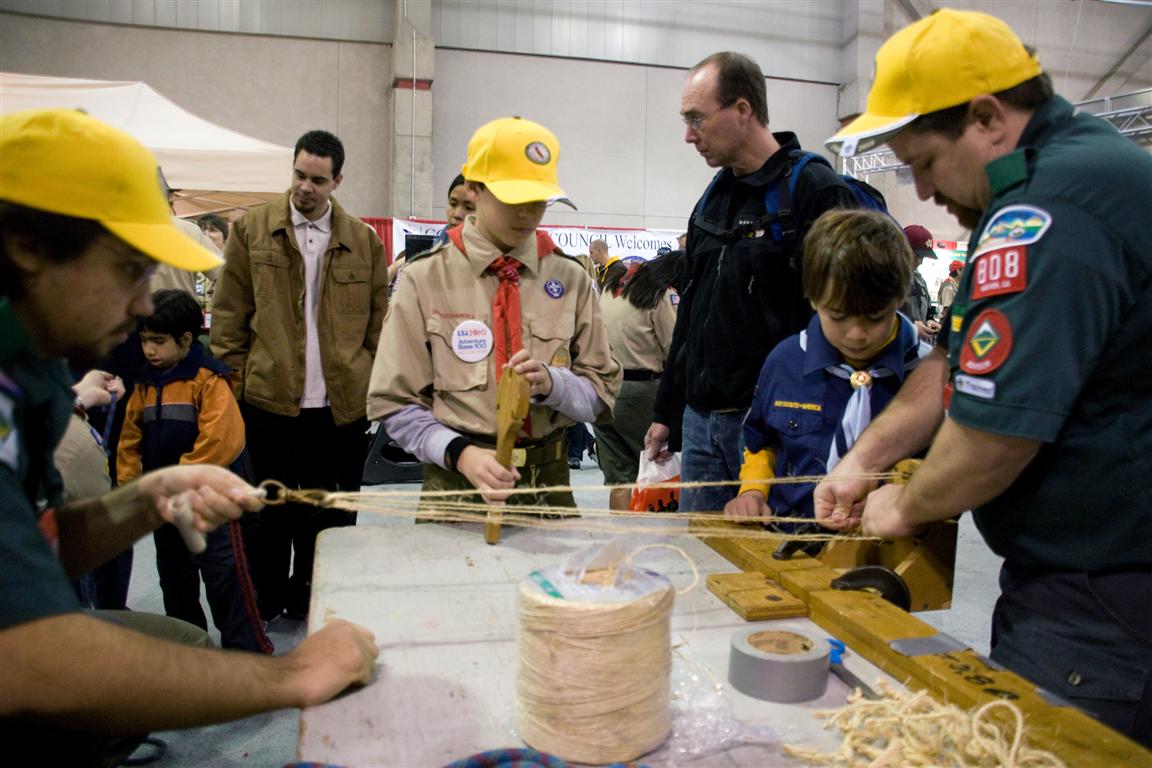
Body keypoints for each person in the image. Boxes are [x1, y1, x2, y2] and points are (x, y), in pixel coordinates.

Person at [0, 108, 377, 766]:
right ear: (27, 246)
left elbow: (37, 546)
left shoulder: (30, 368)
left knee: (184, 643)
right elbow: (27, 657)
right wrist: (292, 676)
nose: (145, 304)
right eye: (129, 270)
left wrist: (146, 498)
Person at [818, 9, 1151, 745]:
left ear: (988, 118)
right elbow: (954, 360)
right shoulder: (1052, 179)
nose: (922, 189)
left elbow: (995, 435)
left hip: (1106, 594)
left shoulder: (1053, 208)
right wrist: (866, 458)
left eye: (926, 163)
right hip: (1083, 580)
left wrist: (905, 505)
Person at [367, 116, 621, 511]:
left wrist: (554, 385)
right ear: (474, 188)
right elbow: (392, 401)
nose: (528, 214)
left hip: (548, 487)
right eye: (513, 200)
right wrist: (459, 453)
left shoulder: (569, 279)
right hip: (456, 486)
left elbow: (602, 392)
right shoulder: (425, 279)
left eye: (539, 201)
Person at [644, 51, 860, 514]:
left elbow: (847, 319)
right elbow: (691, 315)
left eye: (697, 118)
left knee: (772, 553)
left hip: (776, 428)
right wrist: (666, 412)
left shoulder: (815, 191)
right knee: (699, 551)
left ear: (743, 109)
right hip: (699, 425)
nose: (688, 135)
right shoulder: (712, 199)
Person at [211, 129, 388, 621]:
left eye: (318, 180)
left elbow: (379, 323)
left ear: (337, 181)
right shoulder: (252, 230)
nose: (305, 187)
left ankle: (316, 599)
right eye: (299, 175)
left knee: (331, 514)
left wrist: (367, 379)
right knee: (269, 512)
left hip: (340, 411)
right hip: (269, 404)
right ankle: (266, 601)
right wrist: (237, 384)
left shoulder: (363, 242)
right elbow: (229, 315)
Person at [723, 210, 931, 527]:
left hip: (893, 545)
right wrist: (753, 491)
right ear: (813, 297)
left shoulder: (929, 374)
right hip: (791, 538)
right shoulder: (784, 361)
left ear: (901, 297)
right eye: (838, 316)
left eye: (875, 317)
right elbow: (762, 442)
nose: (856, 334)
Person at [118, 289, 271, 653]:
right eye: (144, 340)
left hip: (210, 503)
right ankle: (189, 649)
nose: (149, 350)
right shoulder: (144, 385)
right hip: (165, 506)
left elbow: (221, 439)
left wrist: (178, 479)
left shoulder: (209, 380)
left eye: (158, 341)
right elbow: (129, 441)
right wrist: (132, 487)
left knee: (225, 576)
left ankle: (246, 651)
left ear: (186, 339)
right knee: (174, 578)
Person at [594, 251, 682, 510]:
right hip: (643, 391)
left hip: (604, 388)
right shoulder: (659, 294)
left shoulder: (609, 288)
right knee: (658, 472)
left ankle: (620, 535)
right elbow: (675, 349)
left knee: (618, 479)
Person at [388, 173, 477, 291]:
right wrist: (395, 268)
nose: (457, 214)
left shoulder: (494, 265)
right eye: (453, 204)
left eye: (469, 207)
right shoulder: (422, 260)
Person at [900, 224, 941, 341]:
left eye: (923, 257)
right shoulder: (887, 278)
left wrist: (930, 320)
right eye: (917, 255)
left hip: (918, 346)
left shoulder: (920, 281)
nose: (920, 261)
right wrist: (910, 325)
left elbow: (928, 308)